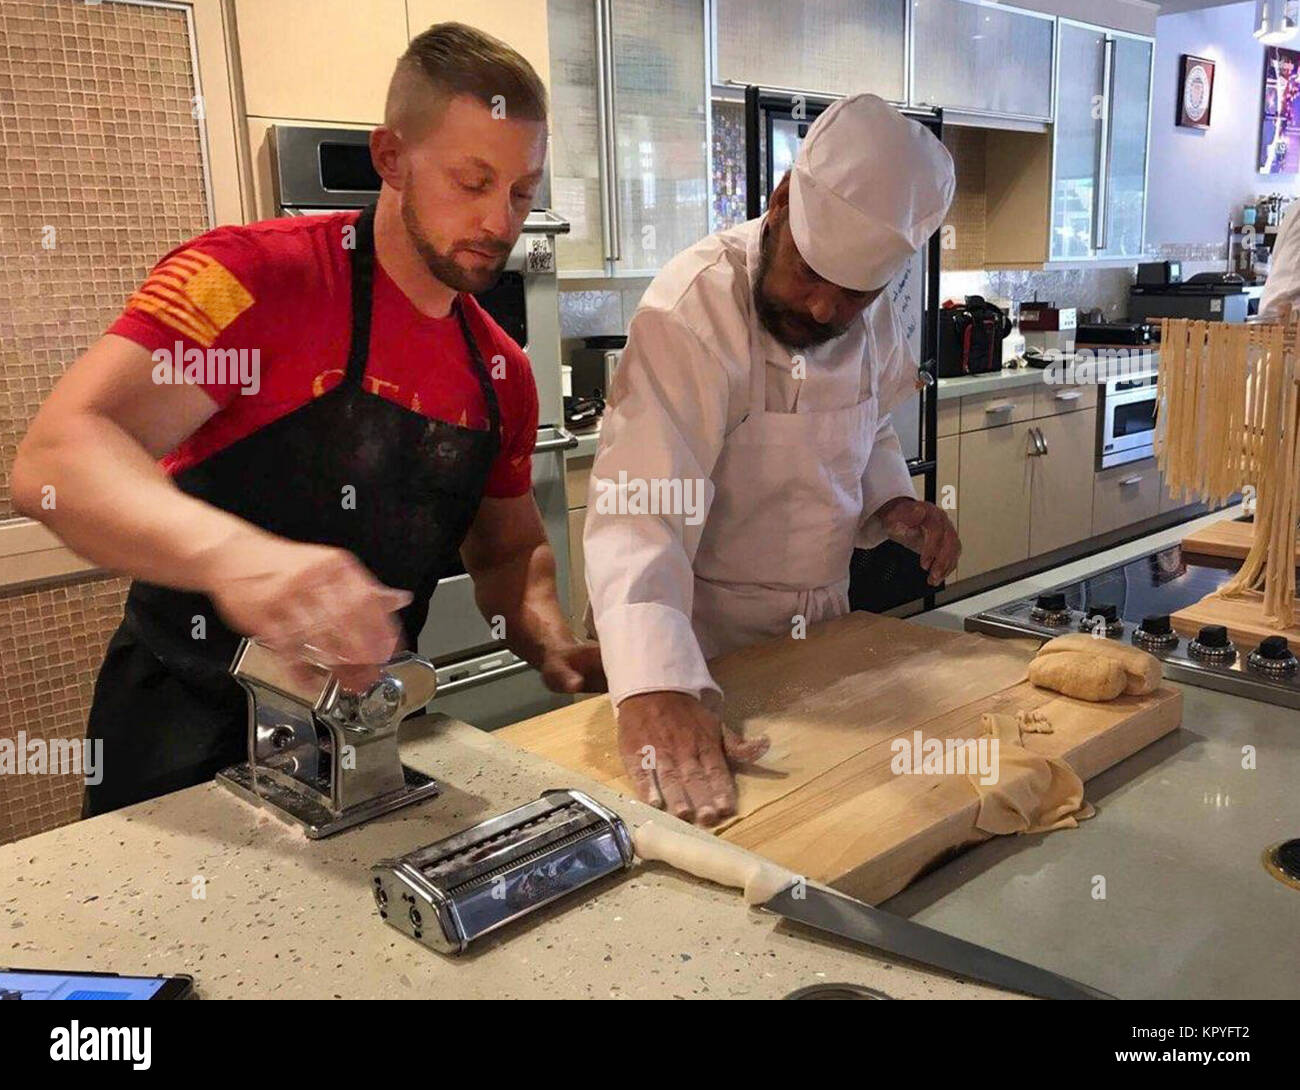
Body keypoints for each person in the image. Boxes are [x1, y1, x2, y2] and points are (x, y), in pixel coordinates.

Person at [13, 23, 603, 815]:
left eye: (523, 191)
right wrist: (241, 561)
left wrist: (550, 639)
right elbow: (56, 457)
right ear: (390, 158)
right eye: (472, 182)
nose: (501, 222)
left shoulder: (503, 372)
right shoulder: (251, 280)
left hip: (365, 743)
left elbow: (509, 549)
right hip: (178, 736)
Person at [584, 94, 960, 826]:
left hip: (826, 639)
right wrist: (658, 684)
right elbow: (640, 510)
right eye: (810, 275)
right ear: (782, 200)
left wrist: (892, 502)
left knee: (845, 818)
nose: (823, 309)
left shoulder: (868, 315)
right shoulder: (691, 312)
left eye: (852, 295)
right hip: (706, 650)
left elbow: (868, 420)